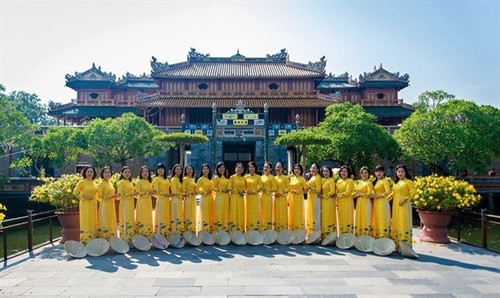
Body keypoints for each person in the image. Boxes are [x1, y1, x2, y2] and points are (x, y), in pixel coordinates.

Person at [388, 164, 415, 248]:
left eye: (402, 171)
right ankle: (397, 245)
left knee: (404, 223)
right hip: (396, 206)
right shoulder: (396, 182)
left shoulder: (409, 182)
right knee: (396, 223)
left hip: (404, 206)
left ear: (405, 172)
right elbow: (394, 193)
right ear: (396, 172)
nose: (400, 173)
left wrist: (405, 199)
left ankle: (405, 245)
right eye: (398, 171)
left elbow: (414, 193)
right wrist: (387, 198)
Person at [73, 165, 98, 244]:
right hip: (85, 205)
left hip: (93, 204)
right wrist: (84, 198)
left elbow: (97, 194)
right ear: (85, 173)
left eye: (91, 172)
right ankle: (85, 241)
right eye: (88, 172)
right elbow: (75, 193)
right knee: (86, 221)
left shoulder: (94, 182)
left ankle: (93, 240)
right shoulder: (82, 182)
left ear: (94, 173)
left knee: (93, 221)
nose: (90, 173)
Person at [97, 166, 118, 239]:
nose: (107, 174)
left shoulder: (110, 183)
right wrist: (111, 196)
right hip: (105, 205)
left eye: (108, 172)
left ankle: (111, 237)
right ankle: (105, 238)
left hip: (111, 204)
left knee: (110, 219)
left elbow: (113, 195)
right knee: (105, 220)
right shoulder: (101, 184)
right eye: (105, 172)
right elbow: (100, 196)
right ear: (102, 174)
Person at [371, 165, 392, 238]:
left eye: (380, 171)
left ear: (383, 172)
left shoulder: (385, 180)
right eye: (376, 171)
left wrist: (377, 196)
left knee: (383, 219)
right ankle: (377, 237)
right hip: (376, 203)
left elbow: (388, 192)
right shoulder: (376, 181)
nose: (378, 173)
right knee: (377, 219)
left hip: (383, 203)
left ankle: (383, 237)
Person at [117, 166, 136, 242]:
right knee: (125, 218)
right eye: (125, 172)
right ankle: (125, 238)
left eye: (128, 172)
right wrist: (130, 195)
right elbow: (120, 193)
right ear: (122, 173)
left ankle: (130, 237)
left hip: (130, 202)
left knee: (130, 218)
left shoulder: (129, 182)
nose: (127, 174)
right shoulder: (121, 182)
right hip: (125, 202)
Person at [354, 166, 373, 236]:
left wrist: (360, 195)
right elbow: (356, 191)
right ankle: (359, 235)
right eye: (362, 173)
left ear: (368, 174)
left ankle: (366, 235)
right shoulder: (360, 182)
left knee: (366, 217)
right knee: (359, 217)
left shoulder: (369, 183)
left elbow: (369, 194)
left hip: (366, 202)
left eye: (365, 173)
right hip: (359, 202)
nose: (364, 174)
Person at [135, 165, 154, 237]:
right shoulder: (139, 182)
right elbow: (138, 192)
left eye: (146, 171)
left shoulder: (149, 182)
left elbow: (152, 192)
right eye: (143, 172)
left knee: (148, 216)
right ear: (141, 173)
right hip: (142, 202)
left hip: (148, 202)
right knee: (142, 217)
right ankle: (141, 234)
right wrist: (148, 193)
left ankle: (148, 234)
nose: (145, 173)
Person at [152, 163, 170, 236]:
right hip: (161, 200)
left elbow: (168, 189)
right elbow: (155, 191)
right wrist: (164, 194)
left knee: (166, 215)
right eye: (159, 169)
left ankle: (165, 232)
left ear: (164, 170)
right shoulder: (156, 179)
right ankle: (160, 233)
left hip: (166, 200)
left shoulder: (166, 179)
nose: (160, 170)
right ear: (157, 170)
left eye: (162, 169)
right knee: (161, 215)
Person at [288, 163, 307, 232]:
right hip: (292, 198)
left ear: (301, 170)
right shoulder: (291, 178)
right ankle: (291, 230)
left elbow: (306, 190)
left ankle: (298, 230)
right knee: (291, 213)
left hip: (298, 199)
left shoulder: (302, 179)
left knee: (298, 214)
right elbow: (289, 189)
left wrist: (299, 192)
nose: (297, 170)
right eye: (295, 169)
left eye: (298, 169)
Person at [336, 165, 355, 235]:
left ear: (348, 173)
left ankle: (348, 234)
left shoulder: (350, 181)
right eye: (342, 171)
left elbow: (348, 192)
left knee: (347, 217)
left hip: (347, 202)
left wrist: (339, 195)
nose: (343, 173)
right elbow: (337, 191)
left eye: (345, 171)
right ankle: (341, 234)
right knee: (341, 217)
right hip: (340, 202)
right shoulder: (338, 181)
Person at [228, 162, 246, 231]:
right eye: (238, 167)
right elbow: (229, 187)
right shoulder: (232, 177)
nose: (239, 169)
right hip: (234, 197)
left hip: (241, 198)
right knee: (234, 212)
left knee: (240, 212)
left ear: (243, 170)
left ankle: (240, 229)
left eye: (241, 168)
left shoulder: (243, 178)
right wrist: (237, 191)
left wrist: (243, 192)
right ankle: (233, 229)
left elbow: (245, 189)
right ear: (235, 169)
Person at [245, 161, 263, 231]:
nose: (251, 168)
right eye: (250, 167)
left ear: (255, 168)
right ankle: (248, 229)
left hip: (255, 197)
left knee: (255, 212)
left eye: (252, 167)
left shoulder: (258, 177)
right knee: (248, 212)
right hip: (248, 197)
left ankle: (255, 229)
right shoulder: (246, 177)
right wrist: (246, 191)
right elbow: (244, 187)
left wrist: (255, 191)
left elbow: (261, 187)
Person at [212, 162, 230, 231]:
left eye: (223, 168)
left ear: (225, 169)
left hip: (226, 197)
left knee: (225, 212)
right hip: (219, 197)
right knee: (219, 213)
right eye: (220, 168)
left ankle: (225, 229)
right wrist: (221, 190)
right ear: (217, 169)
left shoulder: (226, 178)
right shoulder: (216, 177)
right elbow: (212, 187)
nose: (221, 169)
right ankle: (219, 229)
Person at [320, 165, 336, 238]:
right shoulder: (322, 180)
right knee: (324, 217)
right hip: (323, 201)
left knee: (328, 216)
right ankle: (324, 234)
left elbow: (332, 191)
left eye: (327, 171)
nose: (325, 173)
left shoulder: (331, 180)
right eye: (324, 171)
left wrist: (325, 195)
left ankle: (330, 235)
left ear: (330, 172)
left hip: (329, 201)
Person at [306, 163, 322, 235]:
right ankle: (311, 231)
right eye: (311, 168)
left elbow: (318, 190)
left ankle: (316, 233)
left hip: (315, 198)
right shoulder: (312, 177)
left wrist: (310, 187)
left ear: (318, 170)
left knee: (315, 214)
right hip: (311, 197)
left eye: (314, 168)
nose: (312, 169)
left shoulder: (318, 177)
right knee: (311, 213)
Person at [197, 163, 214, 232]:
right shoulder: (201, 179)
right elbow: (196, 189)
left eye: (207, 169)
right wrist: (203, 192)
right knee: (205, 213)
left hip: (210, 198)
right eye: (204, 169)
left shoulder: (210, 179)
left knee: (210, 213)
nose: (205, 170)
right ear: (202, 170)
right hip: (204, 198)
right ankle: (204, 230)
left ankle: (210, 230)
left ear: (209, 170)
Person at [273, 162, 290, 232]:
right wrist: (274, 193)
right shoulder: (273, 178)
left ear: (282, 169)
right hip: (276, 198)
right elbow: (272, 188)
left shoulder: (285, 178)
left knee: (283, 213)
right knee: (276, 213)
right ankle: (276, 230)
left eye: (280, 167)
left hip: (282, 198)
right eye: (277, 167)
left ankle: (283, 231)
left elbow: (289, 188)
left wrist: (281, 193)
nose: (278, 168)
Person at [261, 162, 277, 231]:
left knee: (267, 213)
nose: (265, 169)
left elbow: (275, 188)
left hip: (268, 197)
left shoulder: (271, 178)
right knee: (261, 212)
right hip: (261, 197)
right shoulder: (261, 177)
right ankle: (262, 229)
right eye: (264, 167)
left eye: (267, 167)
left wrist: (267, 190)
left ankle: (268, 229)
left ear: (270, 169)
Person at [169, 164, 184, 233]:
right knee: (175, 215)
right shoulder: (173, 179)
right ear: (174, 170)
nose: (178, 170)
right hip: (175, 199)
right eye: (177, 169)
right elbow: (174, 191)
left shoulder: (178, 179)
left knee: (178, 215)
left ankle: (178, 231)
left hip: (179, 200)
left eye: (180, 169)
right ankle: (174, 232)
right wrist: (182, 194)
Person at [183, 165, 197, 232]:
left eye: (190, 169)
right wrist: (190, 193)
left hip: (193, 199)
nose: (189, 170)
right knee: (188, 213)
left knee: (192, 213)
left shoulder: (192, 179)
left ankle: (192, 230)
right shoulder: (185, 179)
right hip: (188, 199)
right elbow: (183, 190)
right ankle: (187, 230)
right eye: (188, 169)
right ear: (185, 171)